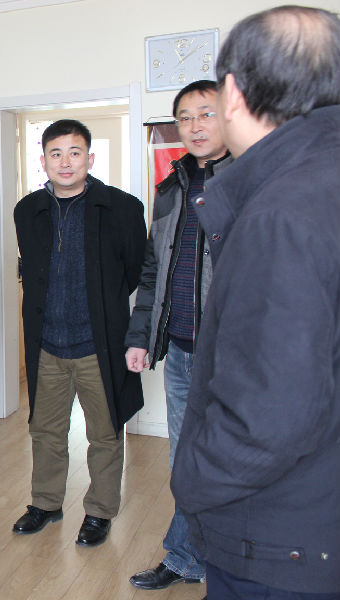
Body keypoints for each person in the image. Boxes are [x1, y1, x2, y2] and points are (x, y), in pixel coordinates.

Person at [171, 5, 340, 599]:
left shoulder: (281, 213)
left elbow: (271, 418)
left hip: (278, 542)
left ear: (235, 94)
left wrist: (190, 478)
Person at [12, 119, 146, 548]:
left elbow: (132, 273)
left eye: (74, 152)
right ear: (43, 161)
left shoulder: (122, 208)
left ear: (90, 157)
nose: (65, 162)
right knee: (45, 431)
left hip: (97, 344)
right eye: (56, 153)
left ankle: (99, 511)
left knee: (104, 433)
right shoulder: (27, 211)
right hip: (47, 344)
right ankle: (46, 503)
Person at [124, 80, 232, 591]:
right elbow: (153, 272)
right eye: (185, 117)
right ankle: (188, 558)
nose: (194, 126)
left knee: (234, 464)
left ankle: (234, 566)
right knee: (184, 464)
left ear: (229, 116)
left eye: (205, 114)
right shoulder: (171, 188)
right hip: (183, 355)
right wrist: (140, 336)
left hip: (234, 358)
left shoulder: (251, 181)